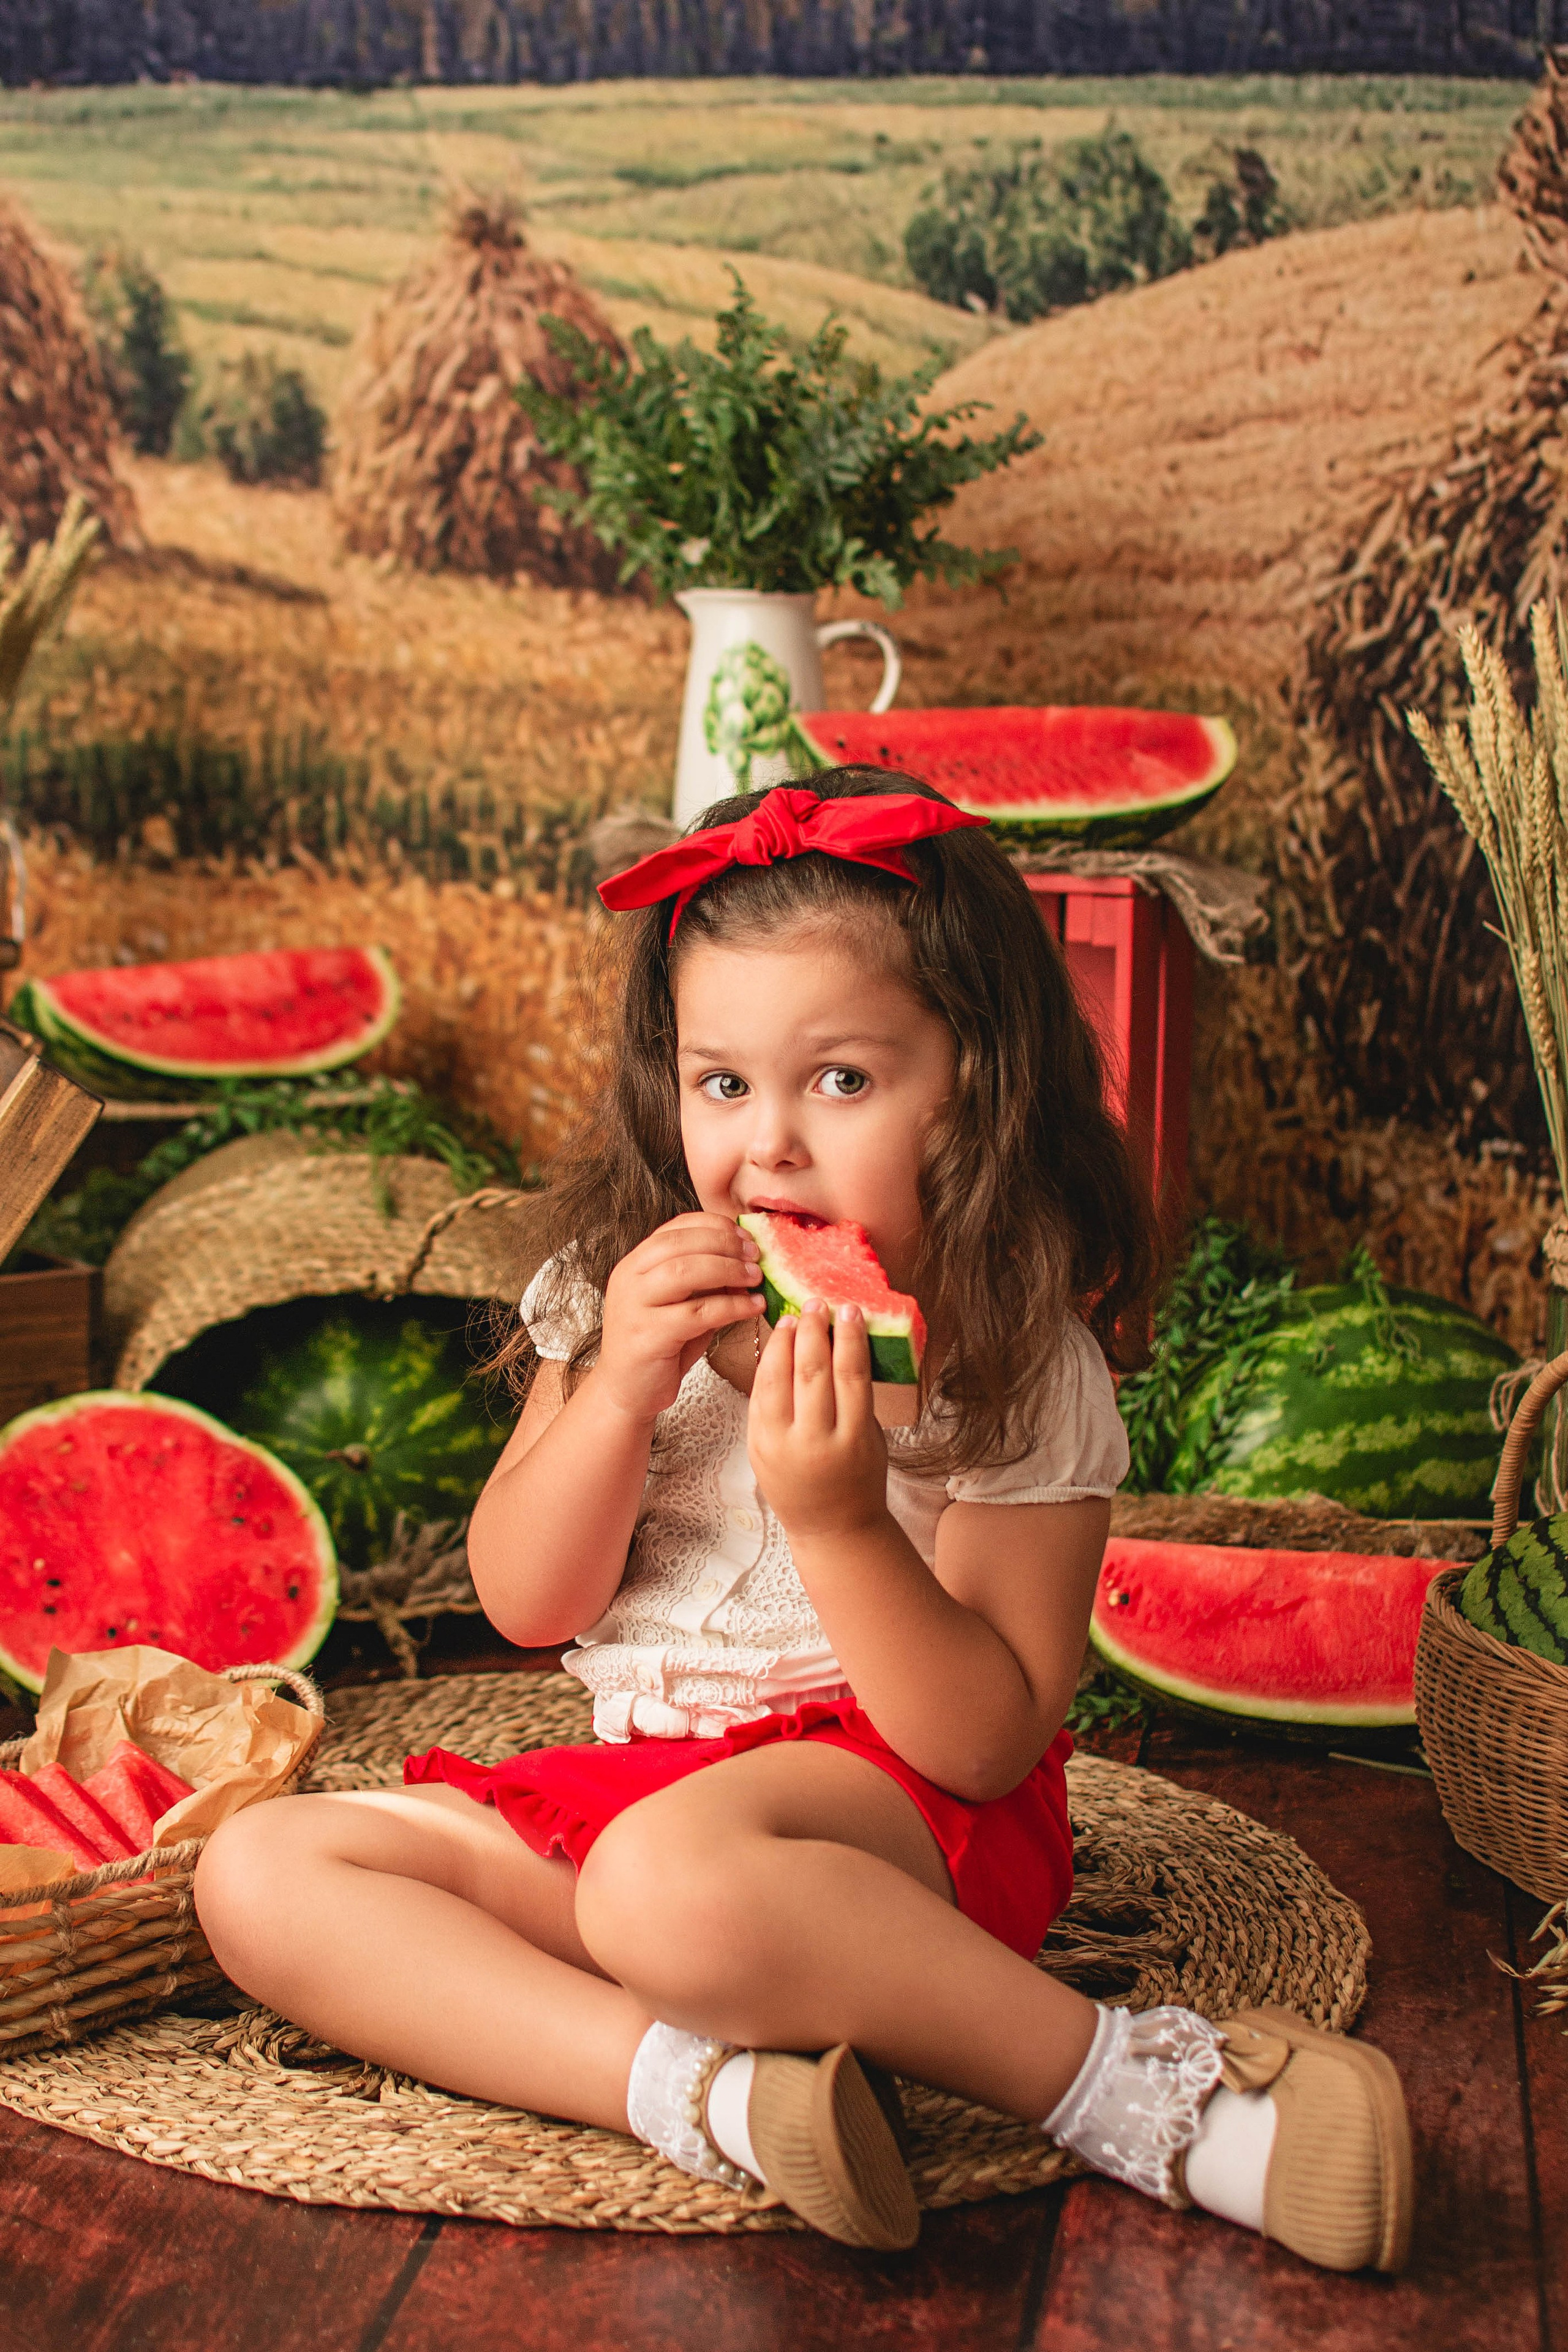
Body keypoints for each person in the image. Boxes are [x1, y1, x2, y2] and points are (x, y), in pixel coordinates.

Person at [194, 774, 1413, 2268]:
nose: (767, 1145)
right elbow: (526, 1601)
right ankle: (708, 2096)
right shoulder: (612, 1294)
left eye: (837, 1080)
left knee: (664, 1887)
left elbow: (983, 1743)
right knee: (263, 1873)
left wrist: (838, 1522)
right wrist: (613, 1395)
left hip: (901, 1832)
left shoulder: (1018, 1357)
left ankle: (1149, 2099)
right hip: (635, 1803)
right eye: (721, 1085)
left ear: (974, 1087)